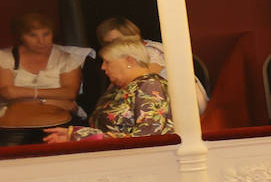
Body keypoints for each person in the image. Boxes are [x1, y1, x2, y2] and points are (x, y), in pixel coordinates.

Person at [42, 39, 173, 144]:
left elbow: (147, 137)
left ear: (129, 61)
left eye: (107, 62)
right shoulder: (118, 88)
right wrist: (75, 134)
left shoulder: (151, 86)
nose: (103, 67)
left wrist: (79, 135)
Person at [0, 11, 84, 145]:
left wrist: (22, 95)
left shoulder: (67, 59)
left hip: (58, 120)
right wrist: (51, 100)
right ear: (21, 36)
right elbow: (7, 93)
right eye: (33, 35)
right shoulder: (5, 57)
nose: (41, 41)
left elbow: (69, 93)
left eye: (46, 34)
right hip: (13, 123)